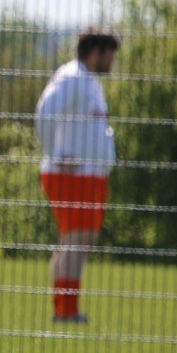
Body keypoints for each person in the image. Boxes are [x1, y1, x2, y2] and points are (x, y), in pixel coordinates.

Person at [35, 28, 118, 324]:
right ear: (96, 53)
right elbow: (44, 112)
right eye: (110, 55)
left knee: (81, 240)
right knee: (75, 239)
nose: (112, 62)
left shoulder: (89, 81)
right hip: (70, 175)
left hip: (89, 177)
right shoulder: (71, 77)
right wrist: (56, 155)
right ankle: (64, 311)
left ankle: (67, 307)